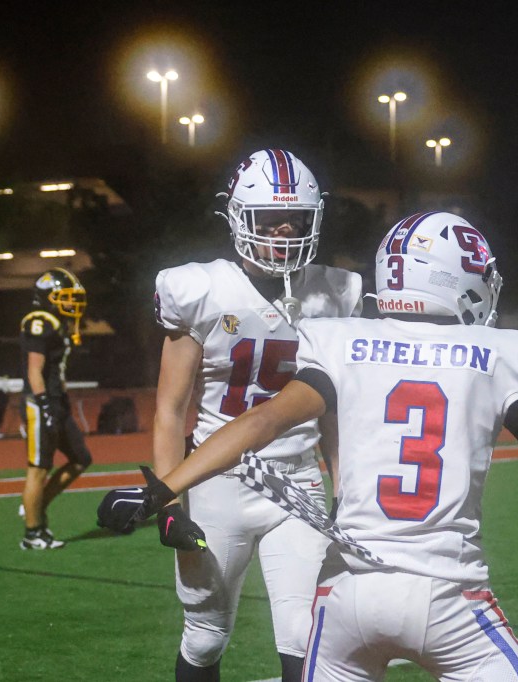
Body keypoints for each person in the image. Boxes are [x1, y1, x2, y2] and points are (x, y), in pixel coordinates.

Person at [99, 211, 518, 681]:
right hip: (448, 594)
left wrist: (160, 491)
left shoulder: (343, 343)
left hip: (346, 592)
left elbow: (259, 422)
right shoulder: (501, 355)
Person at [150, 149, 362, 682]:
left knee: (306, 635)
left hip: (297, 482)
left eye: (295, 217)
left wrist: (345, 488)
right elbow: (170, 410)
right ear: (239, 217)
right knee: (205, 636)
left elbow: (332, 410)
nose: (284, 229)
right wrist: (169, 503)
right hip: (218, 480)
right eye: (270, 217)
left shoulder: (336, 293)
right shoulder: (200, 289)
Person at [19, 267, 92, 550]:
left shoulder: (57, 322)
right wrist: (44, 405)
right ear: (47, 296)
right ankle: (32, 534)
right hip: (41, 403)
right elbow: (34, 370)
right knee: (39, 468)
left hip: (56, 401)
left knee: (80, 458)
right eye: (66, 296)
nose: (71, 303)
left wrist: (61, 401)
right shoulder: (39, 321)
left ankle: (35, 506)